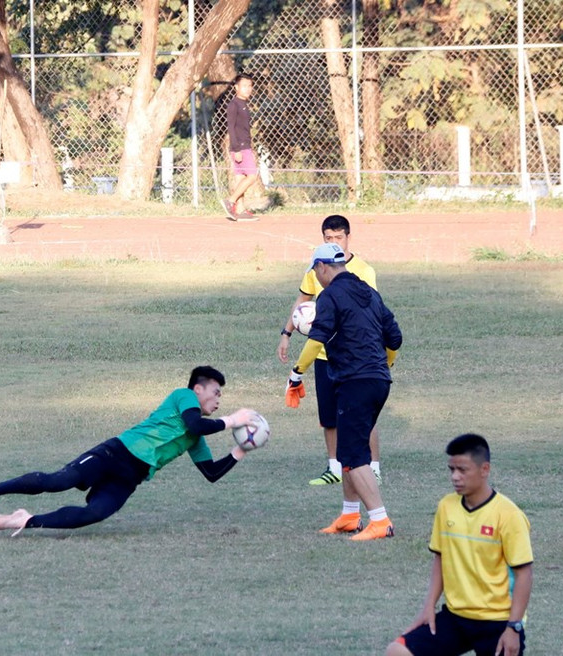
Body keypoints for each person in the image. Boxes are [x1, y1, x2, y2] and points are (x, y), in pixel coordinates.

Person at [0, 366, 260, 534]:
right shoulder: (183, 396)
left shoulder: (197, 437)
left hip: (130, 477)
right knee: (57, 481)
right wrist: (233, 420)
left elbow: (211, 473)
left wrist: (242, 448)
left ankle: (26, 520)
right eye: (216, 393)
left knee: (95, 513)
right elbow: (195, 424)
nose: (219, 400)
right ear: (198, 390)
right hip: (115, 453)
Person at [284, 242, 402, 540]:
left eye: (316, 271)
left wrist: (297, 373)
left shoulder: (330, 296)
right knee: (352, 449)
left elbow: (317, 339)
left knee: (350, 453)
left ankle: (380, 521)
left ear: (323, 267)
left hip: (355, 381)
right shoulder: (370, 293)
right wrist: (384, 365)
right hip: (377, 380)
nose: (317, 276)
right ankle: (350, 515)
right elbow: (395, 338)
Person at [385, 433, 533, 656]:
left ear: (485, 469)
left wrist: (514, 626)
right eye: (451, 469)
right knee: (397, 651)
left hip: (499, 620)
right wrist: (429, 607)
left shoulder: (509, 515)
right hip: (455, 617)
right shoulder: (446, 507)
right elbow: (440, 558)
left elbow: (524, 574)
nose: (455, 477)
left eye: (462, 470)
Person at [277, 214, 384, 486]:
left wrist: (297, 372)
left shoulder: (363, 271)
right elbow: (303, 303)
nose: (334, 241)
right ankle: (335, 468)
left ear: (348, 237)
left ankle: (373, 468)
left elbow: (372, 311)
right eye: (329, 238)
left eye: (338, 237)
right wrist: (287, 332)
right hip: (325, 356)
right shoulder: (317, 267)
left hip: (354, 355)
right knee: (329, 416)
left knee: (363, 416)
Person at [222, 73, 258, 221]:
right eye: (244, 86)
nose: (247, 89)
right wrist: (236, 149)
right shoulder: (234, 105)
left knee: (241, 177)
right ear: (236, 87)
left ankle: (241, 209)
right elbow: (231, 128)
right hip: (240, 147)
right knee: (252, 176)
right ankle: (231, 201)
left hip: (244, 145)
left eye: (249, 86)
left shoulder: (244, 104)